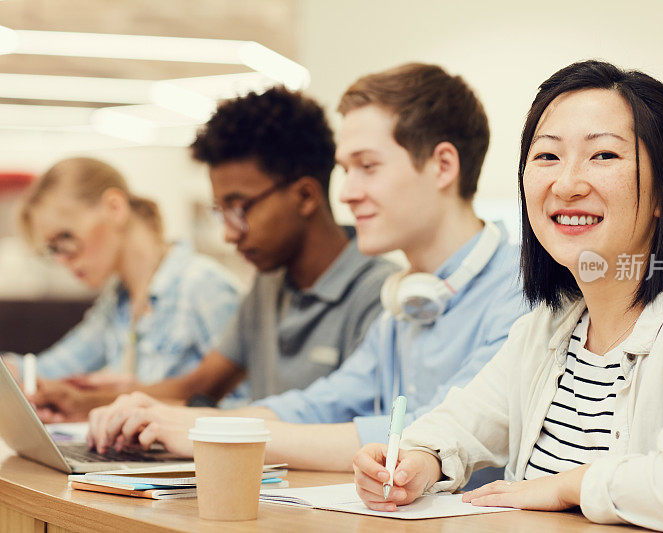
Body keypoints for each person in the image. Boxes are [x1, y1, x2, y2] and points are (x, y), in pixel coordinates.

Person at [352, 60, 663, 533]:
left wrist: (567, 486)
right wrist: (415, 462)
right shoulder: (544, 331)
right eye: (547, 157)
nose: (567, 184)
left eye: (603, 156)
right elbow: (455, 426)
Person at [84, 63, 528, 476]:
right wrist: (175, 418)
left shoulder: (523, 292)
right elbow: (318, 404)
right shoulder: (406, 301)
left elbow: (429, 435)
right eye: (345, 170)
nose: (348, 193)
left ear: (442, 166)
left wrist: (206, 432)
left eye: (367, 167)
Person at [26, 87, 396, 419]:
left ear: (305, 196)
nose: (229, 234)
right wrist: (84, 403)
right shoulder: (268, 285)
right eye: (220, 211)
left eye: (240, 208)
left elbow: (355, 427)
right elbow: (199, 386)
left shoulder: (379, 296)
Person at [3, 157, 241, 419]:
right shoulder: (118, 301)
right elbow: (44, 370)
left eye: (65, 238)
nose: (62, 259)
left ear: (115, 208)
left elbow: (246, 411)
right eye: (52, 250)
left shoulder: (204, 286)